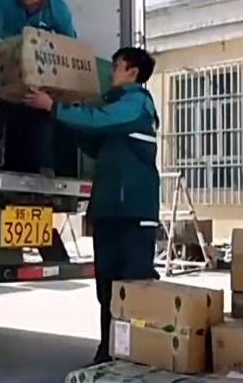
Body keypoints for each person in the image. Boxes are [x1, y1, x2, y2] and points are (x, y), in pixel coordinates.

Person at [23, 46, 160, 366]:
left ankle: (136, 354)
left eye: (116, 66)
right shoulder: (115, 110)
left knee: (133, 287)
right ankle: (108, 352)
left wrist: (55, 108)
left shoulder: (137, 103)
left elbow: (100, 121)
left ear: (132, 72)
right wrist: (59, 115)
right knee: (107, 289)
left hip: (134, 213)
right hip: (110, 210)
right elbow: (93, 139)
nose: (111, 73)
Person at [0, 0, 76, 176]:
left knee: (41, 110)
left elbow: (70, 43)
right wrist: (0, 47)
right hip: (4, 64)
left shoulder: (57, 7)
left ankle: (43, 165)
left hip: (37, 70)